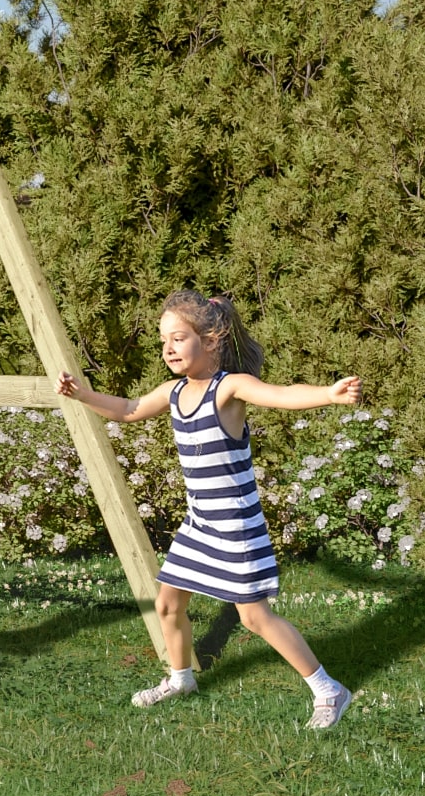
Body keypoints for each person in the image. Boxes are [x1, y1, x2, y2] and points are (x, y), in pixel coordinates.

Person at [58, 290, 361, 729]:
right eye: (164, 340)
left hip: (237, 528)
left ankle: (329, 690)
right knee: (167, 603)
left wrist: (327, 395)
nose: (168, 348)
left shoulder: (229, 389)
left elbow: (280, 393)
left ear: (212, 339)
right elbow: (127, 409)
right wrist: (82, 394)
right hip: (200, 524)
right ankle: (181, 680)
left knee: (254, 617)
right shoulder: (174, 391)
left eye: (179, 338)